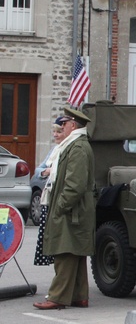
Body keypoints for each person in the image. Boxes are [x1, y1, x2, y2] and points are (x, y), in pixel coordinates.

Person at [33, 107, 96, 310]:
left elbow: (74, 185)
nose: (61, 126)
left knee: (65, 252)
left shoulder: (76, 147)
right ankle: (79, 296)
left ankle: (58, 296)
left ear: (72, 125)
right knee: (75, 253)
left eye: (64, 123)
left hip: (72, 210)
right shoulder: (75, 145)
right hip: (75, 210)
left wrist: (59, 207)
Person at [33, 116, 69, 267]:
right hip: (48, 197)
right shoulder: (54, 150)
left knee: (59, 244)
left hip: (58, 198)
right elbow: (38, 171)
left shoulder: (67, 150)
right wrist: (46, 171)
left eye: (59, 132)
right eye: (54, 131)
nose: (55, 135)